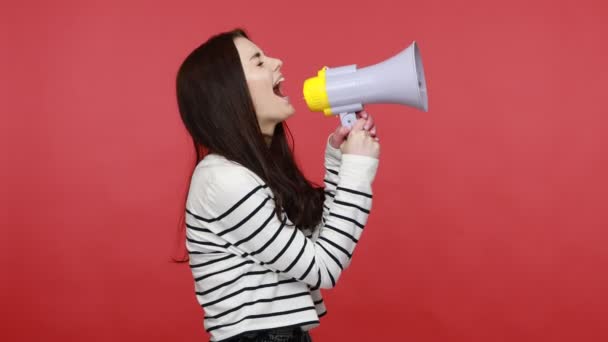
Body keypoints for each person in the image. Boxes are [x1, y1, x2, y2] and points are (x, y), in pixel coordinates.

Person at [175, 28, 380, 342]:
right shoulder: (222, 179)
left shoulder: (250, 173)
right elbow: (323, 268)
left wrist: (339, 161)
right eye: (258, 62)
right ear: (228, 92)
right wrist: (357, 169)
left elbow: (319, 245)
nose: (277, 62)